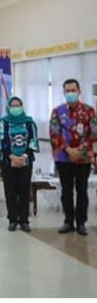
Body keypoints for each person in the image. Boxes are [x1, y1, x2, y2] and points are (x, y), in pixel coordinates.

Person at [49, 78, 96, 236]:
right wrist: (69, 150)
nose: (70, 93)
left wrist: (80, 150)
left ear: (79, 91)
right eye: (67, 91)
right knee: (66, 191)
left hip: (83, 158)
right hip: (63, 158)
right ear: (63, 92)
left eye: (73, 90)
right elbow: (54, 134)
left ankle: (81, 223)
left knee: (82, 190)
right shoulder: (57, 111)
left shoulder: (89, 111)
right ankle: (68, 221)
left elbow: (94, 133)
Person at [0, 96, 39, 233]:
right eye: (13, 106)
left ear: (22, 106)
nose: (15, 108)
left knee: (25, 190)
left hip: (26, 161)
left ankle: (24, 220)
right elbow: (1, 141)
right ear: (9, 108)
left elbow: (33, 140)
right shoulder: (3, 122)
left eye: (18, 105)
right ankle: (12, 219)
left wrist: (24, 156)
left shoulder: (29, 122)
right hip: (8, 161)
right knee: (10, 191)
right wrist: (12, 157)